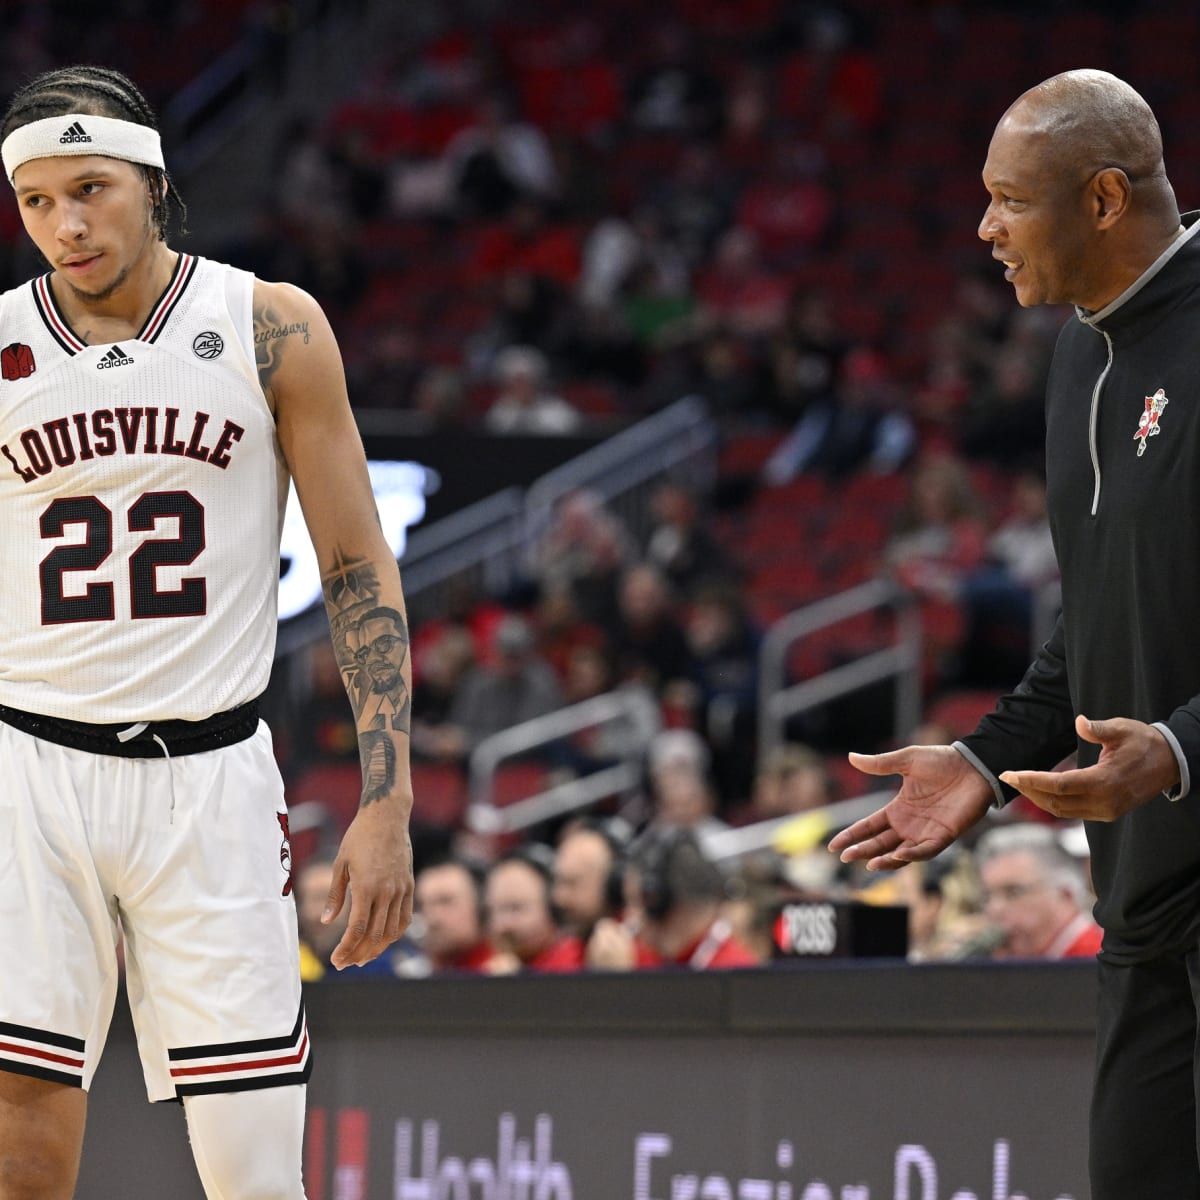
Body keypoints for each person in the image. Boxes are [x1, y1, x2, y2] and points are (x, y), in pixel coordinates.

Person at [0, 66, 415, 1199]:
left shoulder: (270, 323)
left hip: (215, 775)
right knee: (22, 1163)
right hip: (27, 771)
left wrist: (388, 800)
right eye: (35, 201)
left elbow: (353, 565)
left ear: (153, 180)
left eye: (89, 189)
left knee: (254, 1180)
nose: (65, 225)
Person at [829, 69, 1200, 1197]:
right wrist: (987, 762)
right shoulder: (1080, 353)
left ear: (1100, 200)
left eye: (1009, 200)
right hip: (1148, 916)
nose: (984, 228)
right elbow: (1093, 619)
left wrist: (1182, 747)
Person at [974, 826, 1102, 961]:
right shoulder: (1026, 958)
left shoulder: (1096, 961)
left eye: (1014, 892)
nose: (995, 908)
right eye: (986, 897)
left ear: (1065, 894)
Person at [483, 846, 583, 973]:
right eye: (495, 911)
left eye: (516, 908)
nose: (504, 925)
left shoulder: (576, 963)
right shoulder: (488, 965)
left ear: (552, 908)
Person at [413, 858, 496, 974]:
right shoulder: (408, 974)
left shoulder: (511, 974)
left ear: (480, 907)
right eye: (421, 906)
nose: (431, 919)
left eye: (445, 901)